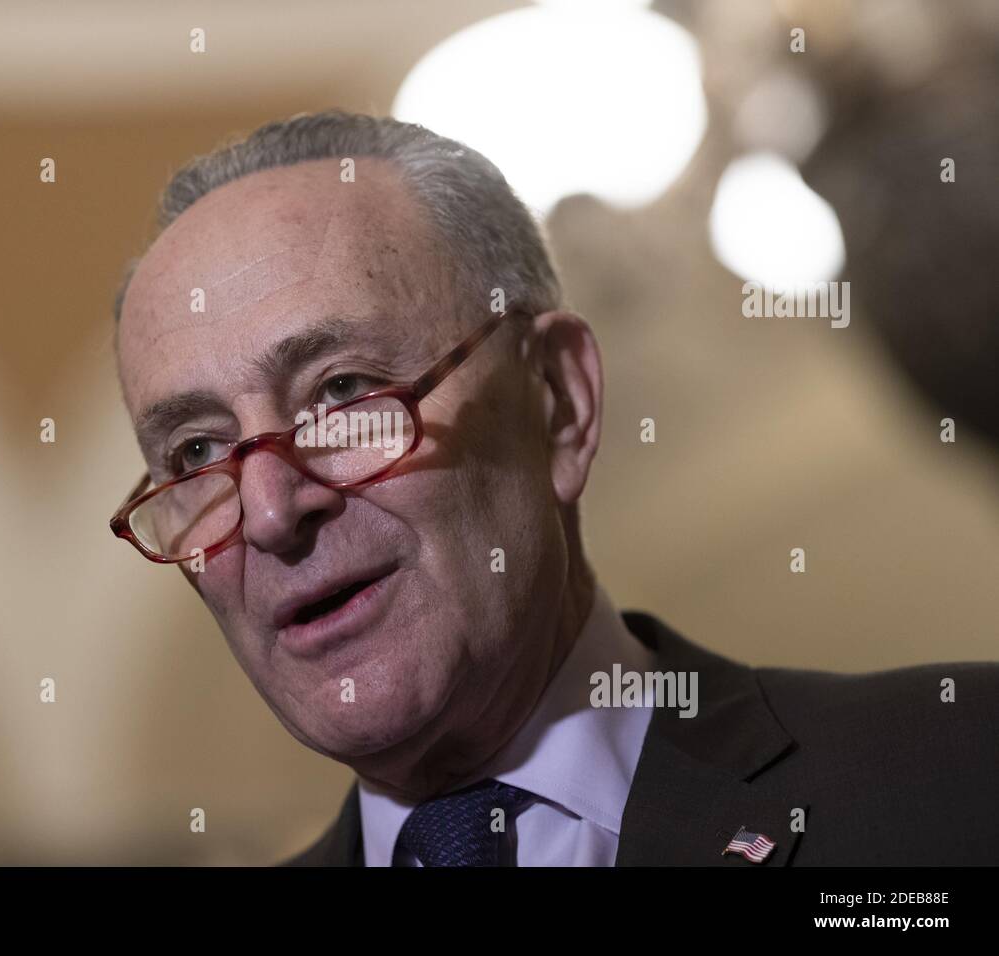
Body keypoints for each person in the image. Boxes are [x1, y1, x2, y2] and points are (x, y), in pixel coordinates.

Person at [109, 109, 999, 866]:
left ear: (559, 403)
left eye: (341, 393)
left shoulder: (960, 776)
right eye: (193, 454)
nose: (268, 511)